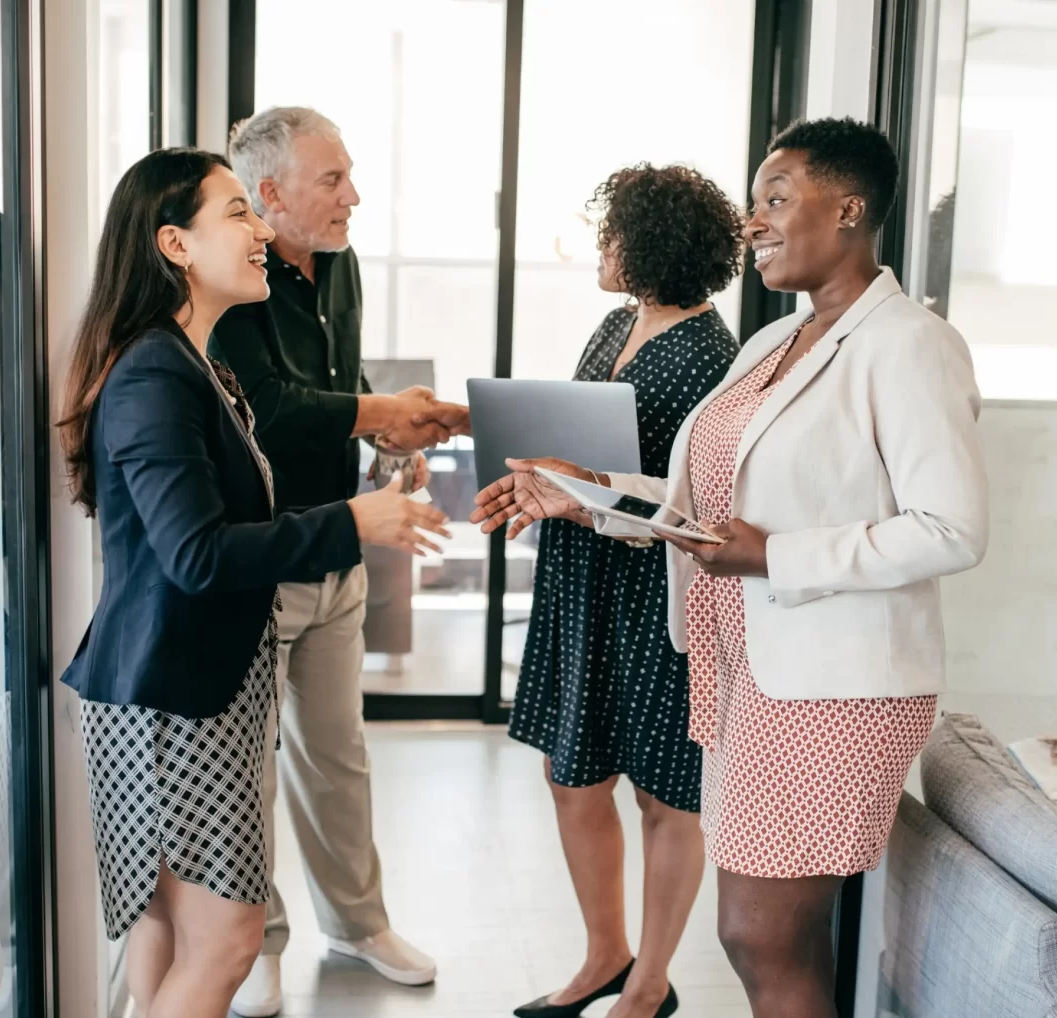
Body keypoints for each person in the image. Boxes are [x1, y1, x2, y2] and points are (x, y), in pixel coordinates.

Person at [474, 117, 989, 1018]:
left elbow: (952, 528)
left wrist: (775, 554)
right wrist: (588, 491)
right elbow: (701, 513)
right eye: (754, 204)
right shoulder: (770, 346)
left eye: (777, 200)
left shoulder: (909, 343)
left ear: (850, 209)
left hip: (833, 691)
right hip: (748, 674)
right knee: (764, 938)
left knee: (760, 934)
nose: (754, 222)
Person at [56, 148, 452, 1018]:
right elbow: (196, 555)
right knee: (228, 941)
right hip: (172, 700)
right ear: (174, 244)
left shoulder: (194, 362)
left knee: (166, 934)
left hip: (178, 690)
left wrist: (364, 503)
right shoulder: (157, 371)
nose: (262, 230)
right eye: (238, 212)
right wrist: (354, 522)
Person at [207, 106, 466, 1015]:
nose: (353, 195)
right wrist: (380, 410)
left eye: (350, 175)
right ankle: (259, 944)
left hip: (340, 549)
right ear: (267, 194)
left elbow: (339, 391)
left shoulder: (341, 264)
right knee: (251, 766)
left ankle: (357, 924)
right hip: (267, 559)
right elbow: (270, 407)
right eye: (333, 180)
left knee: (338, 756)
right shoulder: (232, 278)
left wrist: (393, 443)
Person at [501, 164, 744, 1018]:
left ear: (654, 244)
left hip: (655, 589)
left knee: (661, 791)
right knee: (571, 775)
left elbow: (696, 499)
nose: (601, 247)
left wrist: (586, 483)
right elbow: (582, 450)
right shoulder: (614, 324)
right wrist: (535, 480)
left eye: (613, 232)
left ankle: (649, 982)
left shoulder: (718, 357)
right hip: (582, 574)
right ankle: (606, 953)